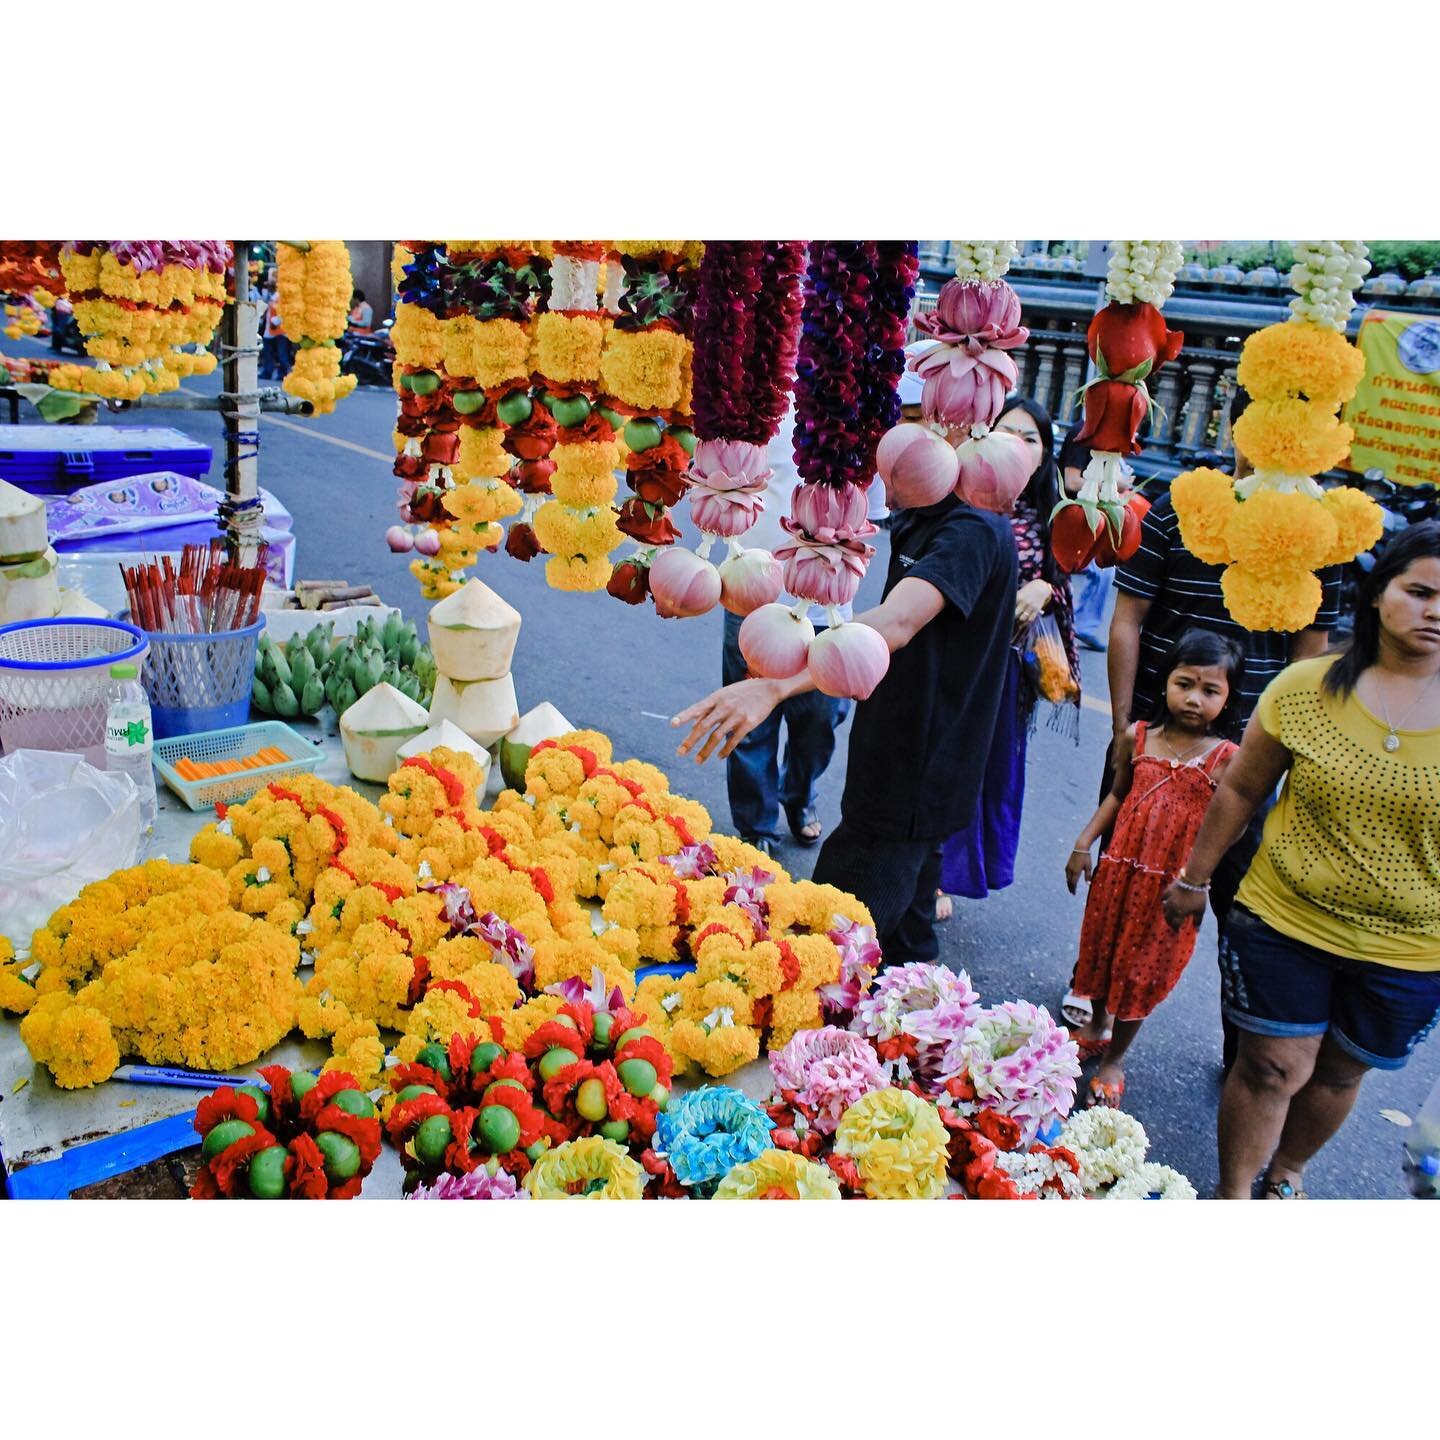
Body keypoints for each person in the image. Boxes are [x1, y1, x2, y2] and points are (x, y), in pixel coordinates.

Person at [1162, 522, 1440, 1199]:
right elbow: (1241, 790)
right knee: (1270, 1066)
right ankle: (1232, 1195)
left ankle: (1286, 1172)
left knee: (1340, 1074)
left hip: (1410, 948)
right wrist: (1193, 878)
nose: (1436, 611)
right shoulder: (1305, 688)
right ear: (1378, 594)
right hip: (1285, 920)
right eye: (1421, 591)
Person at [1063, 388, 1342, 1063]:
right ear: (1238, 429)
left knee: (1241, 906)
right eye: (1264, 424)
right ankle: (1100, 1003)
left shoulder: (1319, 536)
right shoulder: (1183, 508)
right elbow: (1127, 619)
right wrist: (1126, 723)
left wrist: (1284, 759)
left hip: (1252, 761)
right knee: (1127, 878)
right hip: (1155, 736)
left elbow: (1312, 655)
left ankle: (1247, 1043)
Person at [675, 452, 1019, 968]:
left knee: (827, 942)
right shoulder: (923, 516)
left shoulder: (970, 533)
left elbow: (895, 624)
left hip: (919, 769)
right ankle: (912, 1029)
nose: (881, 475)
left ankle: (829, 1041)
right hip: (898, 755)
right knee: (907, 937)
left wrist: (775, 687)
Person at [1066, 630, 1243, 1106]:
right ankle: (1098, 1025)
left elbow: (1232, 828)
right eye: (1185, 683)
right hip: (1119, 872)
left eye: (1210, 691)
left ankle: (1115, 1058)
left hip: (1172, 887)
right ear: (1166, 682)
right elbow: (1118, 795)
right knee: (1104, 952)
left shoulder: (1228, 760)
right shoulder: (1138, 736)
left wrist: (1199, 882)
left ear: (1228, 699)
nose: (1194, 698)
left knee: (1142, 972)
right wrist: (1084, 843)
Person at [936, 397, 1080, 918]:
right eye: (1008, 433)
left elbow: (1064, 586)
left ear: (1045, 455)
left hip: (1012, 674)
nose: (1018, 446)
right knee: (948, 762)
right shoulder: (963, 503)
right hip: (959, 661)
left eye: (1030, 438)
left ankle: (955, 872)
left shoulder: (1053, 519)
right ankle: (935, 873)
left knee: (989, 771)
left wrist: (1045, 588)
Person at [719, 402, 852, 855]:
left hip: (825, 605)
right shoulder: (755, 398)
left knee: (819, 720)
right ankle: (757, 823)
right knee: (750, 721)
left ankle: (799, 792)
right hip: (753, 593)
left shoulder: (851, 413)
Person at [1059, 422, 1134, 650]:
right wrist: (1113, 485)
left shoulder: (1109, 439)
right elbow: (1071, 480)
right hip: (1074, 515)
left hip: (1094, 516)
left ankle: (1083, 624)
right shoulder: (1084, 432)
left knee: (1103, 572)